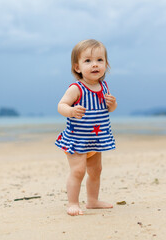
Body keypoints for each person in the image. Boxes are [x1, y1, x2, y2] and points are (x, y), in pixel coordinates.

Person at [55, 39, 117, 216]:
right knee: (78, 171)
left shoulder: (104, 86)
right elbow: (61, 105)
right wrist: (71, 111)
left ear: (106, 64)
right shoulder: (77, 88)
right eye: (88, 61)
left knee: (96, 171)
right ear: (77, 67)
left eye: (99, 60)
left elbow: (109, 109)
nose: (95, 64)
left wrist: (112, 104)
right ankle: (72, 203)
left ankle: (93, 200)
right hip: (77, 139)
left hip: (96, 140)